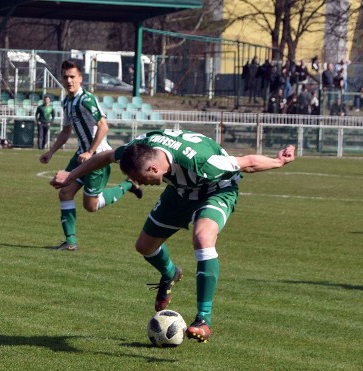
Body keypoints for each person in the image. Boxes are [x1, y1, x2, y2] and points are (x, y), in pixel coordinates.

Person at [50, 129, 296, 342]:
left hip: (215, 190)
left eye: (138, 179)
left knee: (202, 238)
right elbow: (105, 156)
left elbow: (248, 162)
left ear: (154, 168)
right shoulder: (140, 149)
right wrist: (70, 176)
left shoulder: (203, 162)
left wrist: (279, 162)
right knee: (144, 246)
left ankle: (203, 320)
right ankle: (170, 273)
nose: (138, 183)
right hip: (179, 192)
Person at [39, 60, 142, 251]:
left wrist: (90, 152)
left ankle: (128, 184)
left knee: (91, 206)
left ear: (80, 78)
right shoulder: (67, 102)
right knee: (65, 192)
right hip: (82, 155)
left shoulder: (86, 99)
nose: (69, 80)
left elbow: (104, 127)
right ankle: (70, 242)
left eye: (72, 76)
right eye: (65, 77)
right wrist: (51, 152)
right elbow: (66, 131)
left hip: (99, 156)